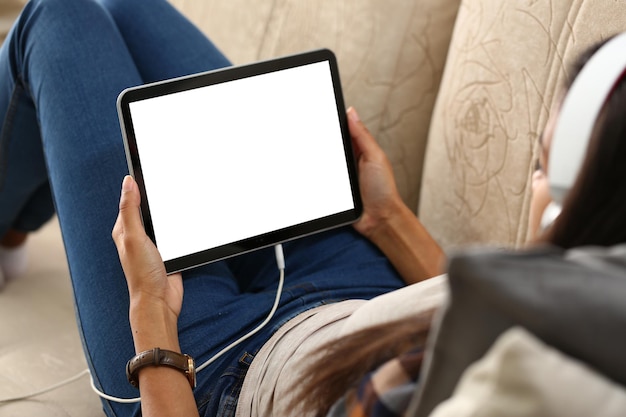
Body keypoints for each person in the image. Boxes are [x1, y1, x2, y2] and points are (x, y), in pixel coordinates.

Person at [0, 1, 624, 416]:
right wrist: (387, 217)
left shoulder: (537, 390)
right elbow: (465, 311)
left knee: (53, 14)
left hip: (209, 365)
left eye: (541, 166)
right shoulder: (592, 293)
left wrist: (148, 314)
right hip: (362, 284)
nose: (538, 184)